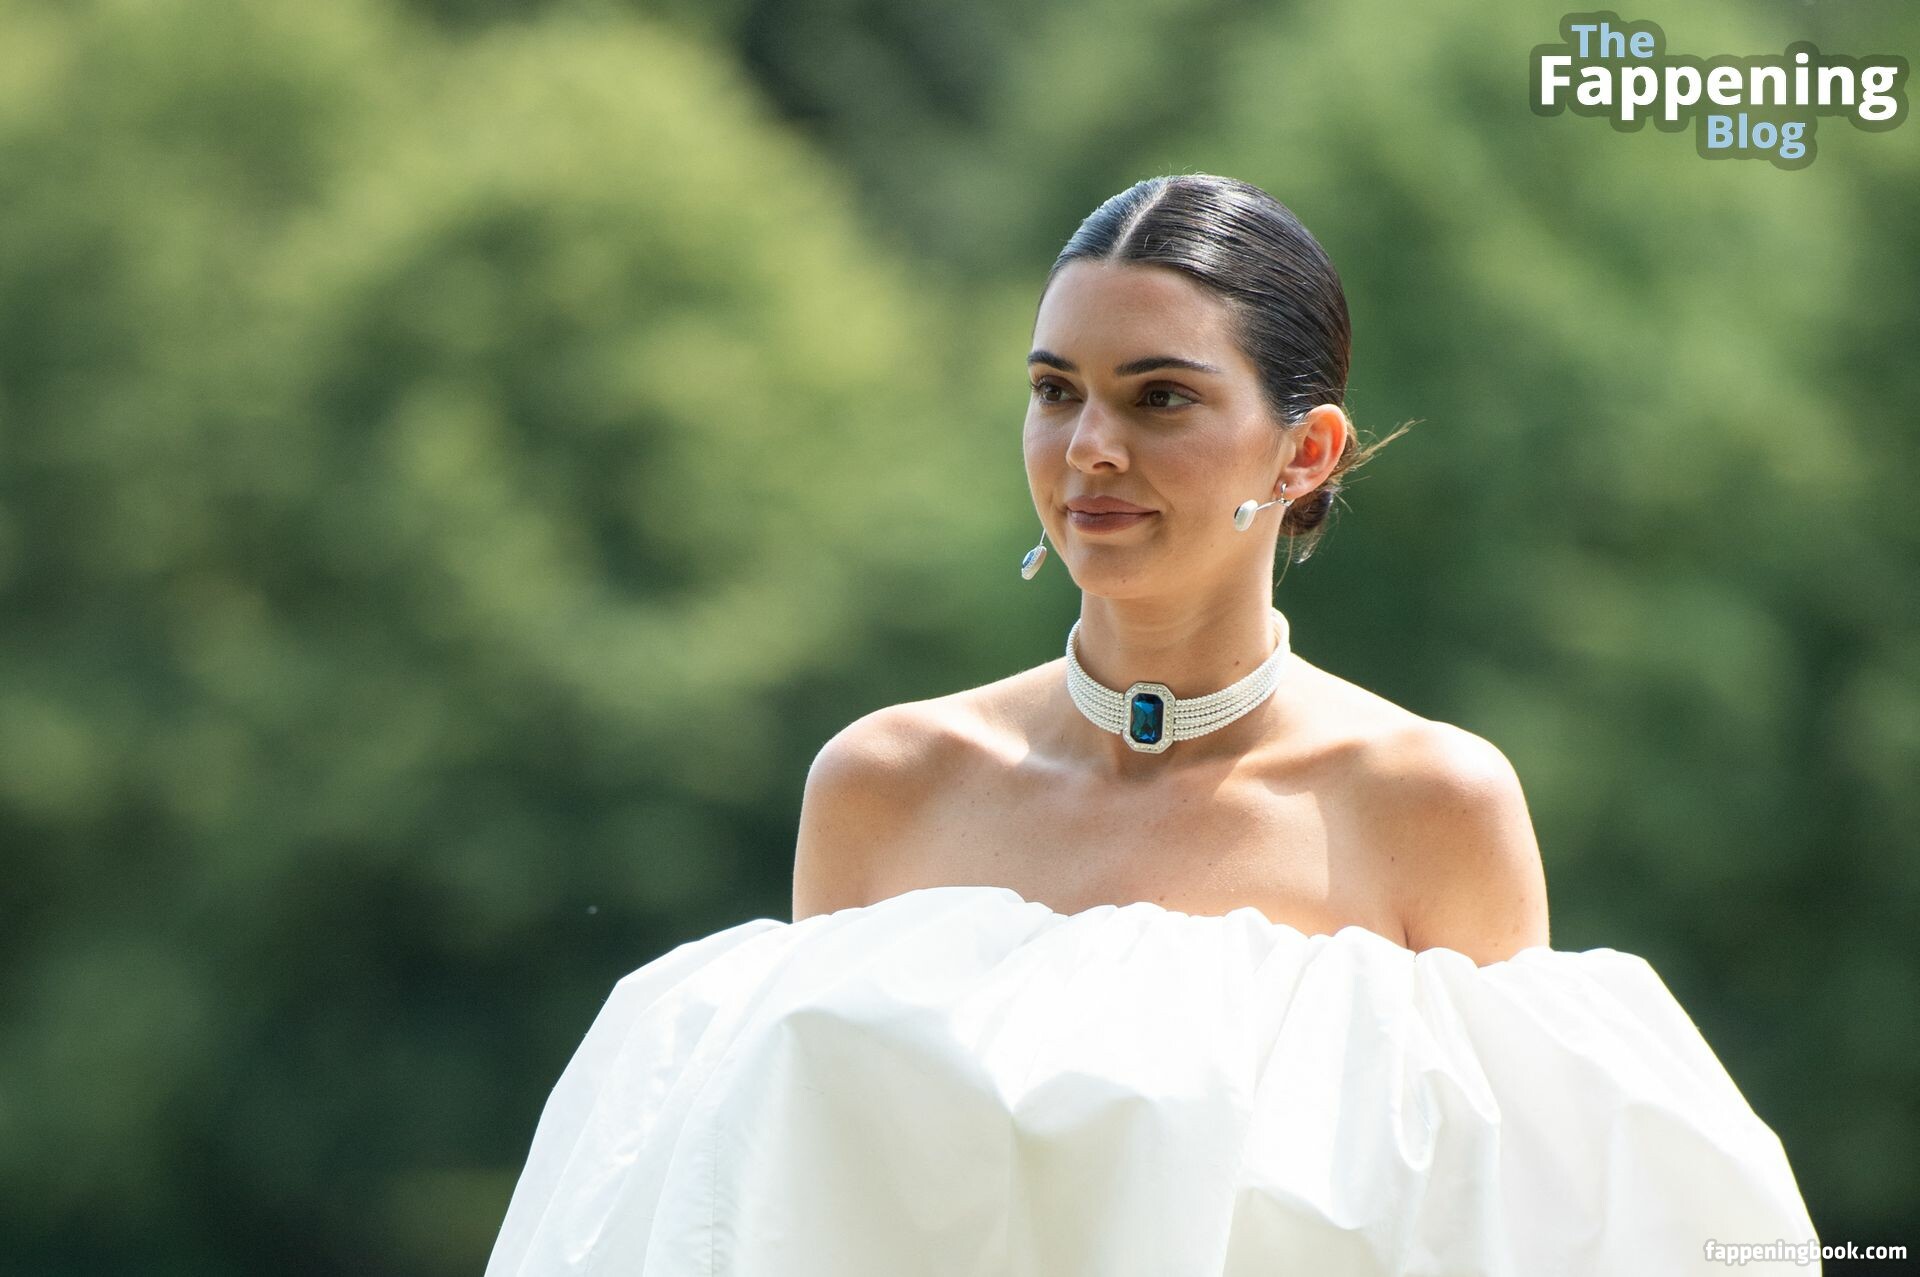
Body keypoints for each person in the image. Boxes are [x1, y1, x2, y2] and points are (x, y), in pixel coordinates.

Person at [485, 175, 1818, 1275]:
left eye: (1158, 396)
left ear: (1303, 451)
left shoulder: (1427, 804)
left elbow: (1517, 1233)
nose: (1088, 448)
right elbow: (785, 1216)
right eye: (1055, 389)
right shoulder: (887, 786)